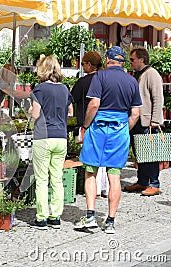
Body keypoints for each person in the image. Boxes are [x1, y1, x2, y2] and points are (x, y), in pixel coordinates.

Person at [74, 46, 141, 234]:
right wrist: (123, 129)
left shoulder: (100, 77)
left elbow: (94, 104)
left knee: (91, 172)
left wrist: (86, 126)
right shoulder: (132, 81)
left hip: (98, 128)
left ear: (107, 60)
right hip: (119, 129)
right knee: (114, 175)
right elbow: (135, 114)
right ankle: (110, 221)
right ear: (123, 62)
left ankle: (90, 217)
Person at [28, 56, 74, 230]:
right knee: (56, 178)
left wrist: (31, 109)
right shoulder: (64, 89)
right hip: (61, 137)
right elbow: (70, 112)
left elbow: (35, 114)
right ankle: (55, 217)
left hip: (43, 137)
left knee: (41, 179)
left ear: (42, 69)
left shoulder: (40, 89)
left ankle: (41, 218)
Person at [124, 47, 164, 196]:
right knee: (140, 153)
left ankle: (154, 183)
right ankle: (142, 181)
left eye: (132, 59)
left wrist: (154, 120)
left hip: (147, 121)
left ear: (141, 59)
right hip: (138, 119)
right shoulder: (139, 74)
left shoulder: (152, 74)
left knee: (151, 153)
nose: (130, 62)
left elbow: (158, 98)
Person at [71, 51, 108, 199]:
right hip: (105, 120)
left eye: (83, 64)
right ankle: (104, 188)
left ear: (89, 64)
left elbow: (72, 98)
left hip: (89, 121)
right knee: (104, 156)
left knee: (93, 158)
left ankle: (96, 189)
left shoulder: (83, 82)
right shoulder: (105, 79)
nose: (82, 66)